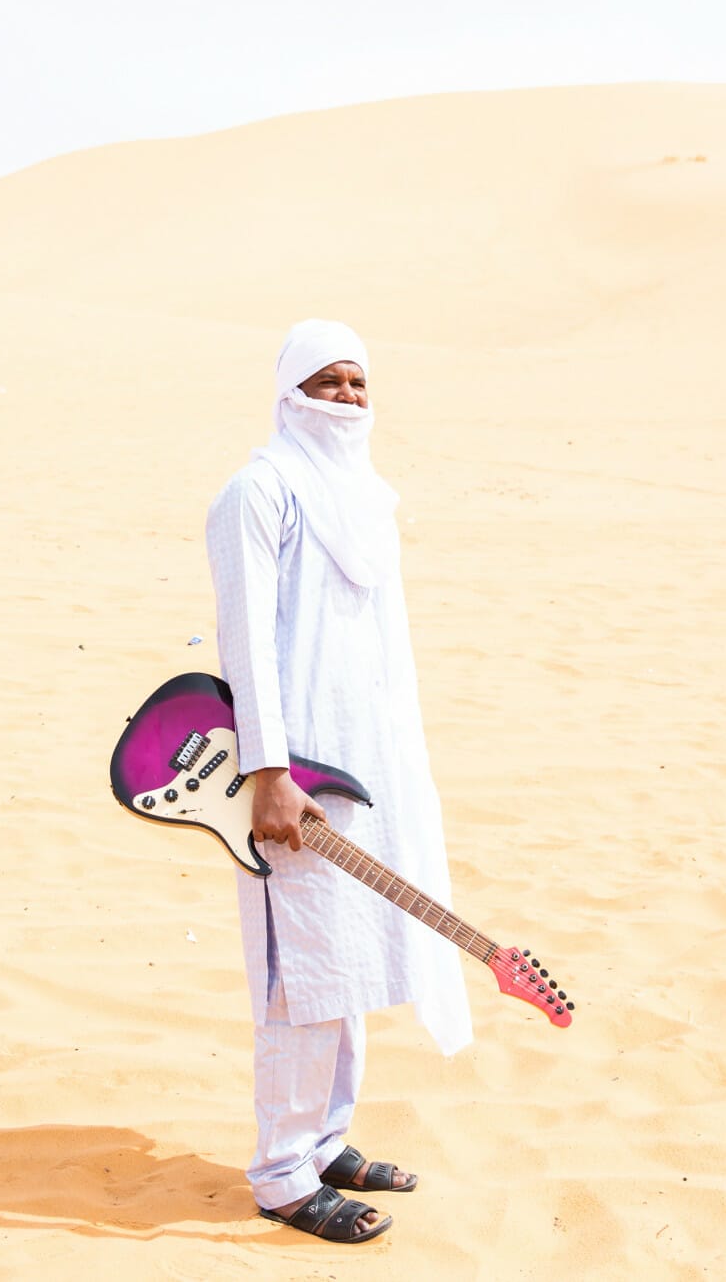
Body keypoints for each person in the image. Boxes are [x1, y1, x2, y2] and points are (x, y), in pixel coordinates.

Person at [204, 318, 472, 1244]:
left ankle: (323, 1141)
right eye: (328, 381)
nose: (347, 397)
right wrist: (270, 770)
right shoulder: (258, 491)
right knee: (302, 973)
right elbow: (246, 643)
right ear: (290, 393)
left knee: (348, 958)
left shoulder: (368, 500)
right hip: (295, 778)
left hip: (367, 770)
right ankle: (283, 1174)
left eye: (359, 382)